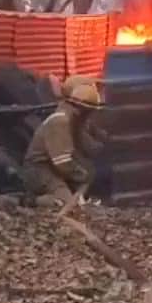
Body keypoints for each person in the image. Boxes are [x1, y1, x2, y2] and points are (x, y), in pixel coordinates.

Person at [22, 76, 104, 207]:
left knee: (88, 172)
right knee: (64, 202)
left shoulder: (74, 123)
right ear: (79, 109)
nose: (89, 115)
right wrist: (82, 175)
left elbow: (86, 148)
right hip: (39, 169)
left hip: (54, 169)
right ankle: (24, 201)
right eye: (88, 111)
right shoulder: (60, 122)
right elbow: (62, 162)